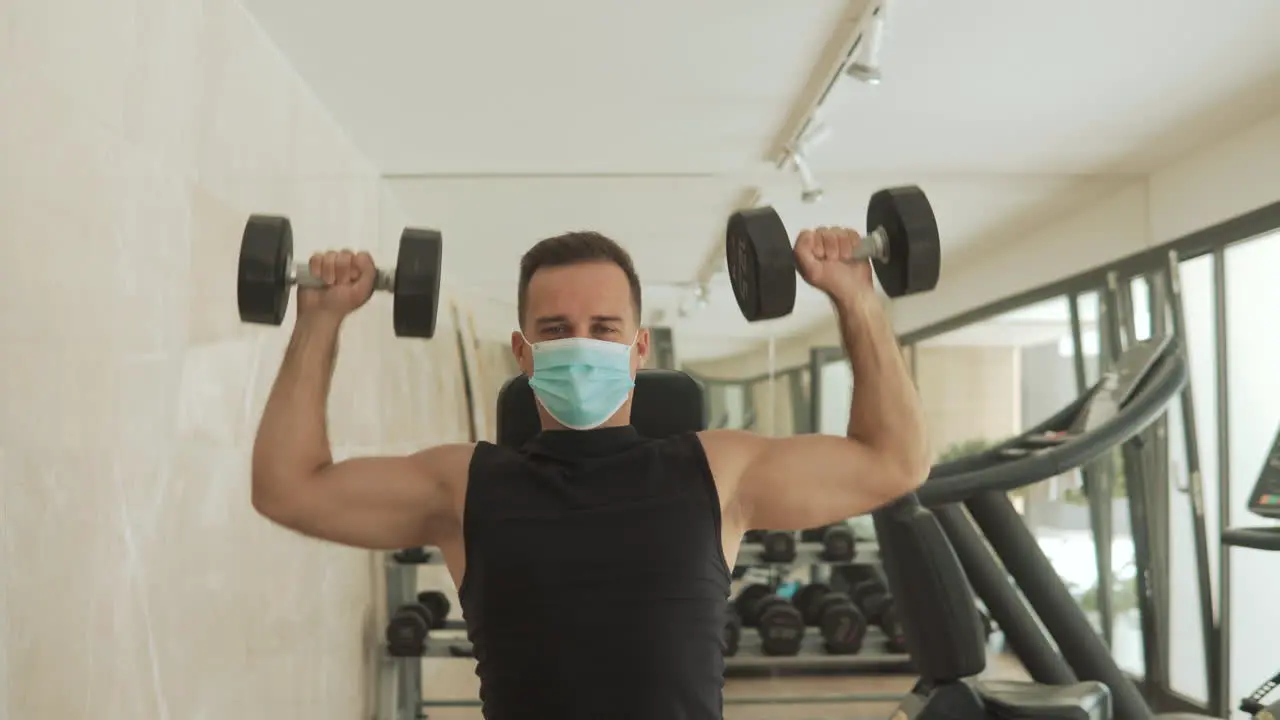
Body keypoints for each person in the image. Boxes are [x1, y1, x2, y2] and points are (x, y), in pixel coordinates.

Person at [251, 226, 929, 719]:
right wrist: (319, 320)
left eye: (604, 328)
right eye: (555, 328)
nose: (580, 344)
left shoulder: (717, 472)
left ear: (638, 350)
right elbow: (289, 489)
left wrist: (856, 297)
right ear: (523, 352)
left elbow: (893, 463)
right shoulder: (463, 486)